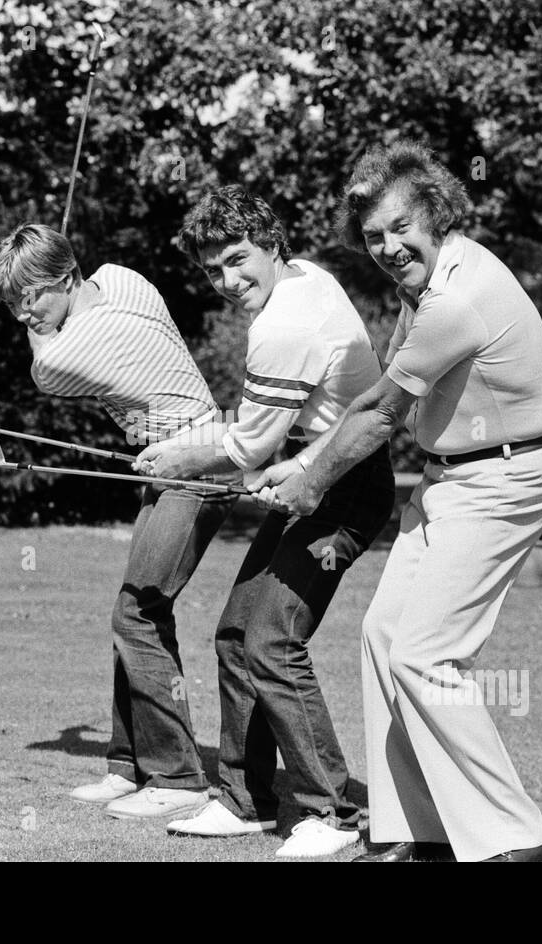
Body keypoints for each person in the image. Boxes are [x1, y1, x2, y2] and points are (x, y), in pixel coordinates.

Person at [252, 141, 542, 862]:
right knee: (385, 636)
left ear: (438, 214)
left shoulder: (456, 299)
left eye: (400, 227)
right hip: (452, 478)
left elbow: (386, 413)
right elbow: (378, 395)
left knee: (428, 655)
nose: (388, 247)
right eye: (373, 236)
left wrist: (310, 484)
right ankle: (418, 831)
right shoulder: (422, 289)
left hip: (504, 480)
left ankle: (516, 841)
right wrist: (298, 460)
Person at [134, 187, 395, 858]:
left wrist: (178, 457)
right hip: (321, 469)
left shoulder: (281, 326)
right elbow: (274, 439)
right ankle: (244, 799)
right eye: (212, 269)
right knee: (235, 633)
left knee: (273, 640)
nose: (227, 280)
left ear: (272, 244)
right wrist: (292, 461)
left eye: (237, 258)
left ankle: (330, 813)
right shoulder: (306, 276)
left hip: (347, 488)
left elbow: (246, 447)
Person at [0, 223, 234, 821]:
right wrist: (56, 288)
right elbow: (90, 294)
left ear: (66, 279)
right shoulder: (125, 279)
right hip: (182, 454)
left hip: (196, 468)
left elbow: (44, 372)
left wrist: (51, 326)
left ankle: (176, 776)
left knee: (137, 614)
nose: (23, 315)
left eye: (32, 298)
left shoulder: (68, 351)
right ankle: (131, 765)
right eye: (12, 302)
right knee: (137, 610)